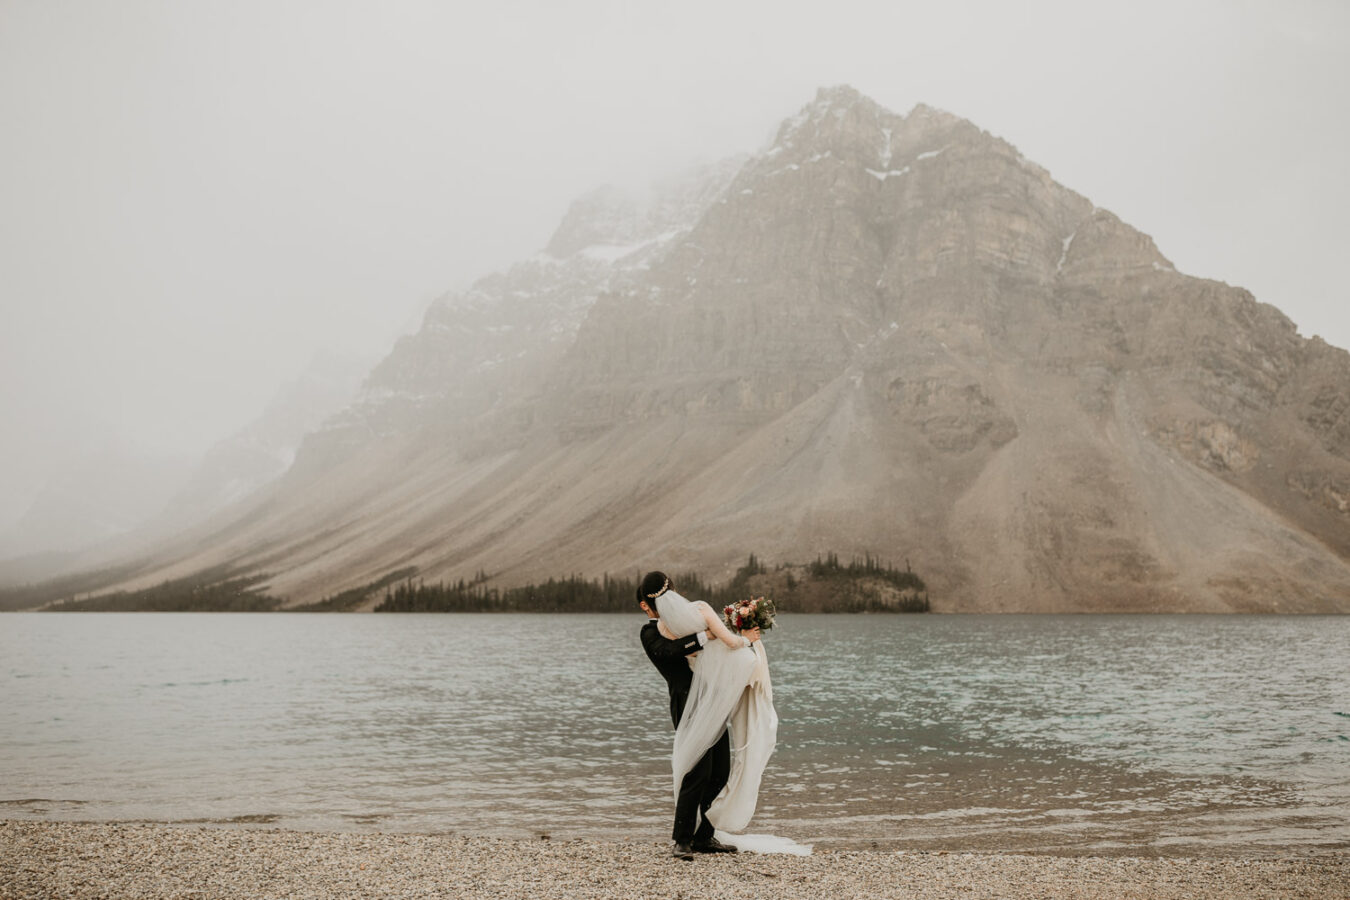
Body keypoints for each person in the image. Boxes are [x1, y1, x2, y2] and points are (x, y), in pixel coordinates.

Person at [637, 570, 776, 859]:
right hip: (688, 704)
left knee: (720, 771)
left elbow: (721, 652)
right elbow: (668, 653)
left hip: (712, 701)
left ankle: (704, 836)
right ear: (645, 606)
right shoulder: (650, 632)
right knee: (697, 771)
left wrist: (741, 634)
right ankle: (682, 840)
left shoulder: (689, 620)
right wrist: (706, 635)